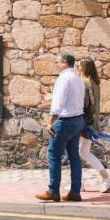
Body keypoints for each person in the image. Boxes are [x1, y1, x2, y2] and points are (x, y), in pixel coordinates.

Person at [36, 53, 85, 202]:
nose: (56, 65)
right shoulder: (78, 79)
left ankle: (53, 191)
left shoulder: (63, 78)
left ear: (64, 62)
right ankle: (75, 192)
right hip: (78, 119)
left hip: (65, 121)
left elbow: (58, 104)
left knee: (54, 156)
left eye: (57, 62)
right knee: (74, 158)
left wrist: (50, 121)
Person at [76, 58, 110, 193]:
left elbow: (83, 105)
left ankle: (103, 178)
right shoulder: (95, 83)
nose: (77, 67)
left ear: (84, 68)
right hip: (91, 124)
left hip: (83, 123)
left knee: (76, 153)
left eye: (79, 65)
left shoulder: (84, 83)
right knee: (83, 152)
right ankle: (83, 182)